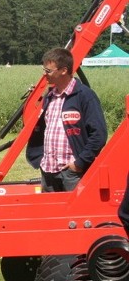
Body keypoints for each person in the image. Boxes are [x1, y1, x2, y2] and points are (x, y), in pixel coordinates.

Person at [26, 48, 107, 192]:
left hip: (72, 174)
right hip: (48, 171)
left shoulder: (84, 96)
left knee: (78, 213)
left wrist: (79, 163)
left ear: (63, 70)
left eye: (48, 71)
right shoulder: (50, 97)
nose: (44, 74)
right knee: (51, 213)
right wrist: (41, 160)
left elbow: (99, 135)